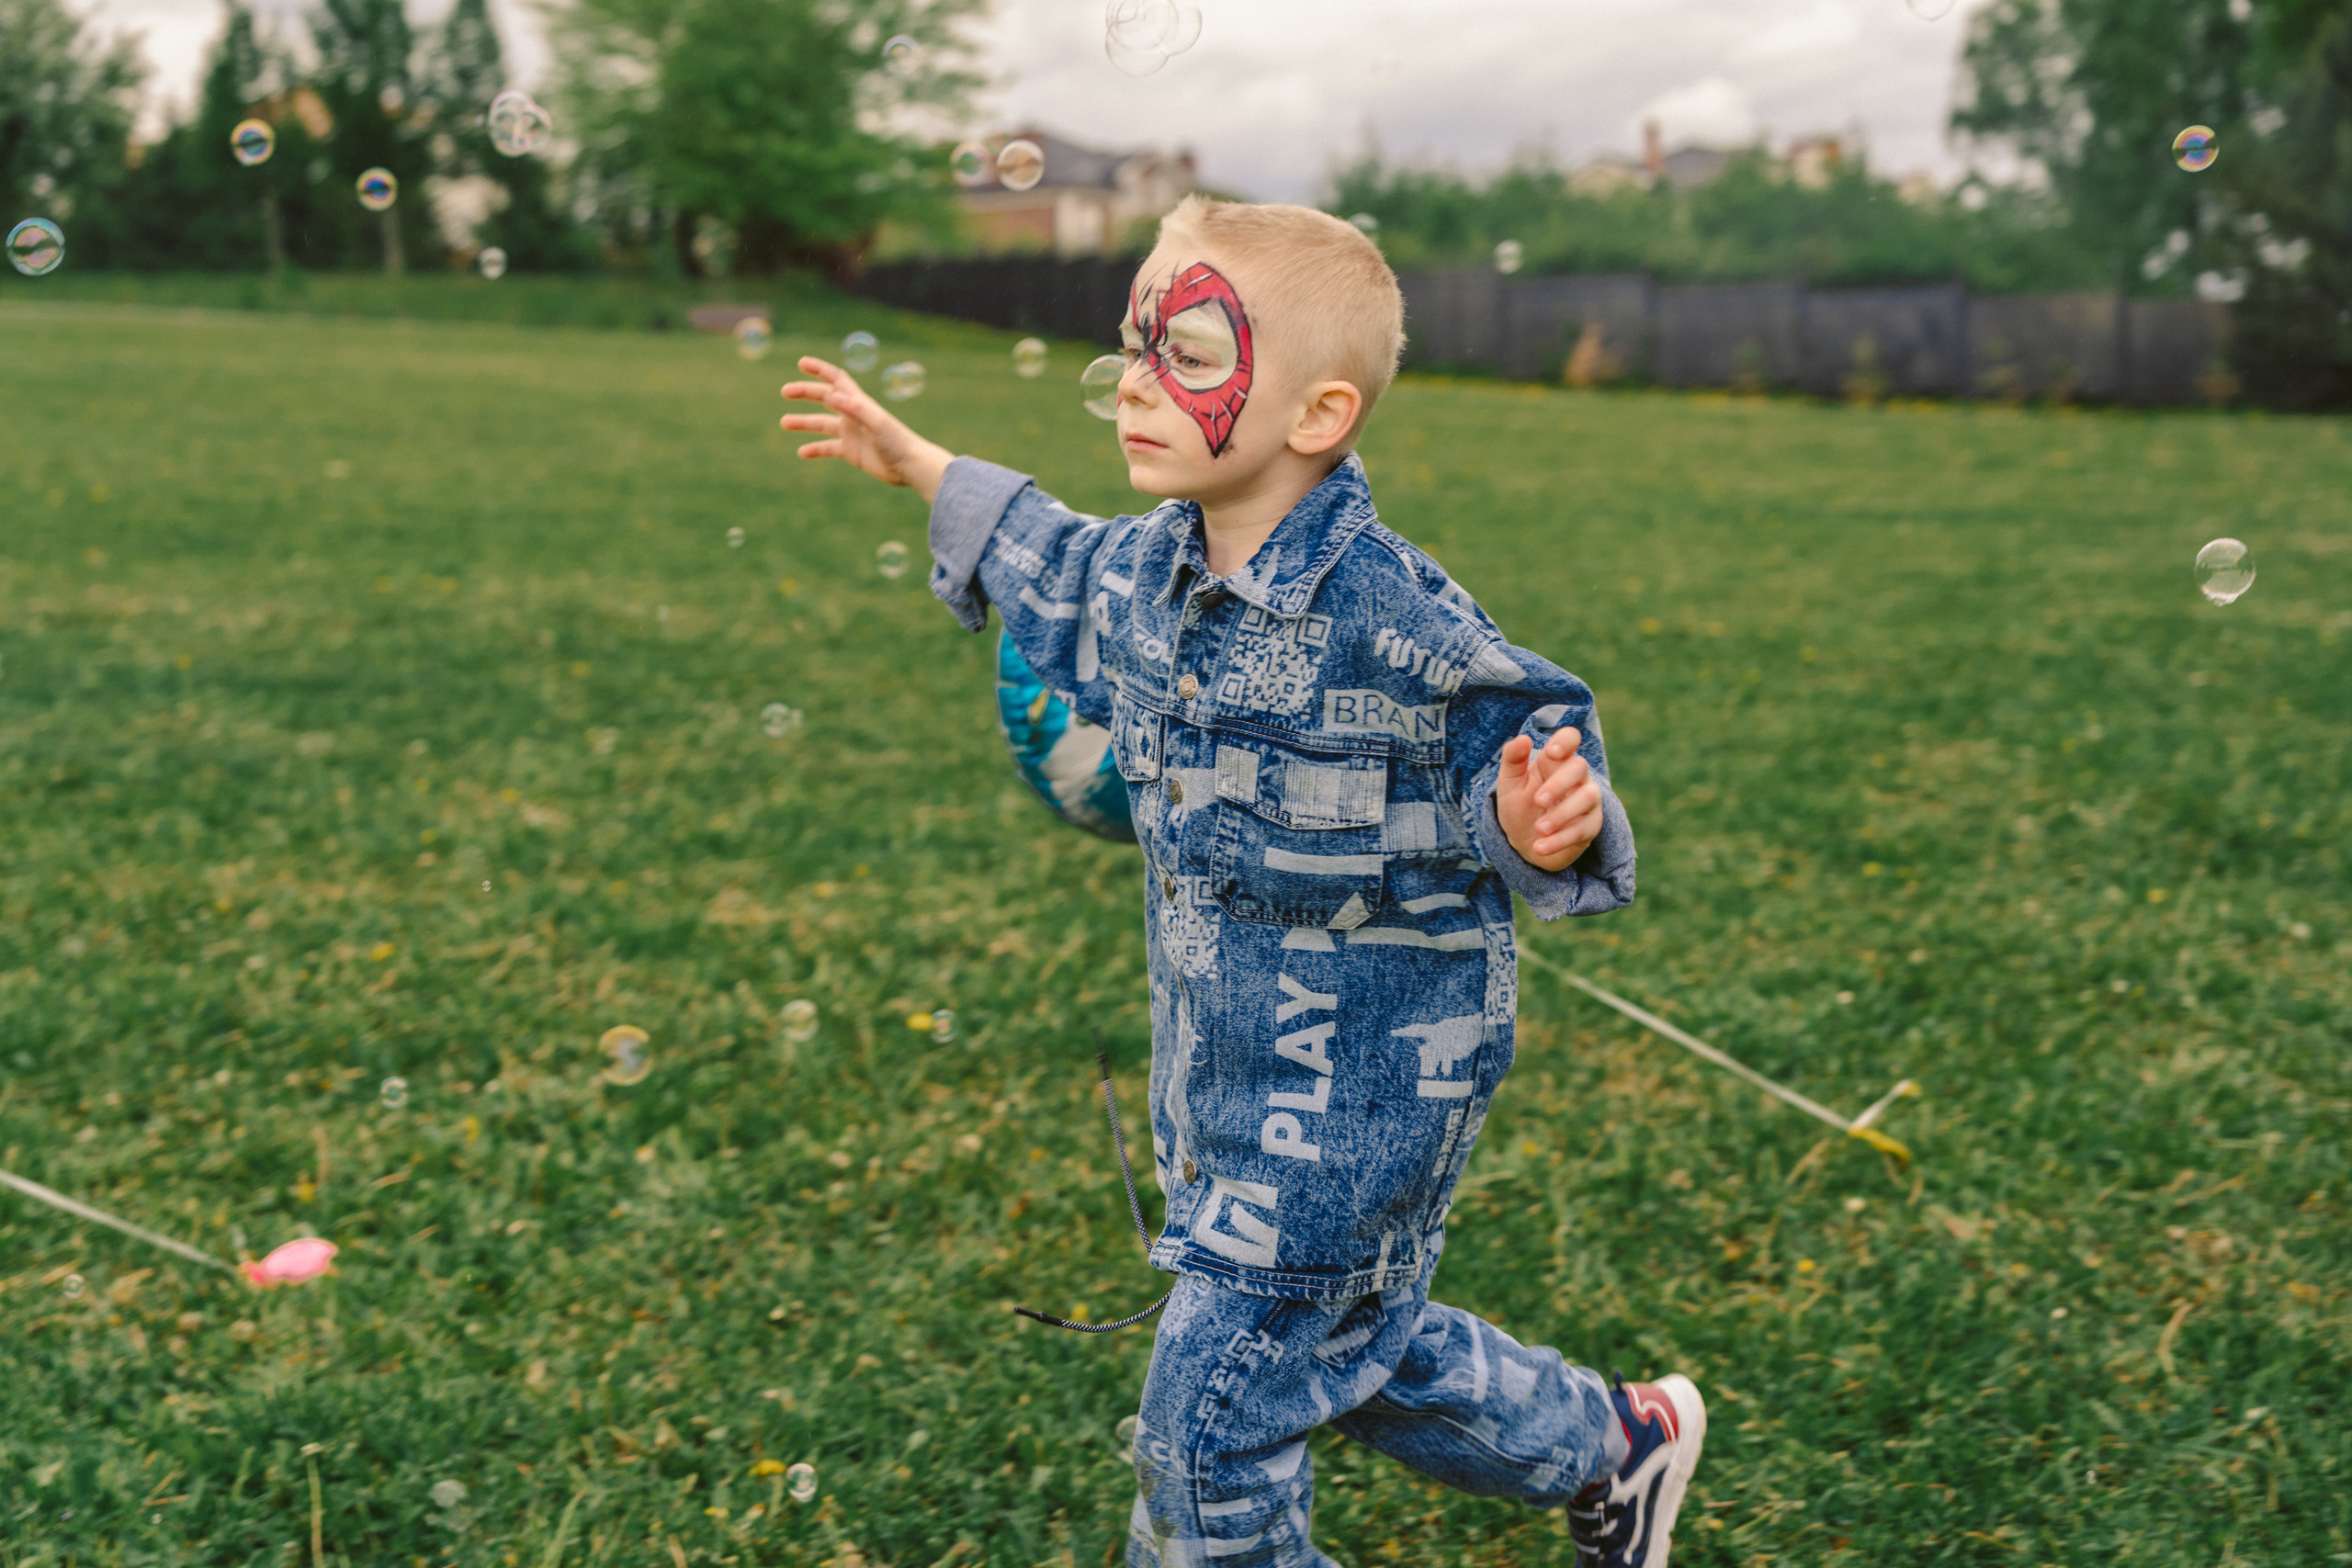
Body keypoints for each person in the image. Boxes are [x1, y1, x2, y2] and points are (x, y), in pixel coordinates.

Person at [780, 196, 1704, 1568]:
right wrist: (918, 461)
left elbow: (1529, 743)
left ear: (1319, 416)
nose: (1140, 382)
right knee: (1353, 1349)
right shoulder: (1143, 571)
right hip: (1221, 1086)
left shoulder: (1396, 619)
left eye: (1192, 352)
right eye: (1135, 341)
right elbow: (1044, 555)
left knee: (1206, 1433)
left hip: (1362, 1105)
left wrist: (1545, 821)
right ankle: (1620, 1445)